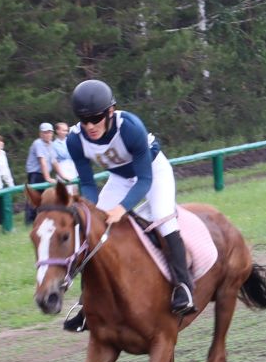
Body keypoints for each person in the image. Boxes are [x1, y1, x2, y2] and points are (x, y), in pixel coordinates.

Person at [59, 78, 195, 327]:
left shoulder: (131, 127)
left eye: (96, 118)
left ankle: (183, 287)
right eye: (83, 119)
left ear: (110, 111)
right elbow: (87, 183)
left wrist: (121, 209)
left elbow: (144, 180)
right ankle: (87, 303)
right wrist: (93, 211)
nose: (90, 125)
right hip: (120, 177)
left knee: (164, 219)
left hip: (153, 171)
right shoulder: (75, 139)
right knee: (92, 230)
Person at [25, 124, 56, 223]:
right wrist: (47, 177)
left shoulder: (51, 144)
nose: (48, 134)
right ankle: (30, 221)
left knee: (45, 197)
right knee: (34, 197)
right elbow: (42, 161)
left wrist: (64, 176)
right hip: (35, 174)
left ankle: (42, 218)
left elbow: (54, 161)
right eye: (45, 132)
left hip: (43, 174)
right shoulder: (38, 143)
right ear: (40, 134)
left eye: (50, 132)